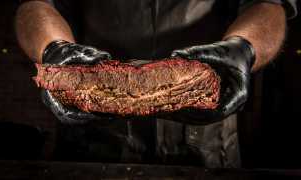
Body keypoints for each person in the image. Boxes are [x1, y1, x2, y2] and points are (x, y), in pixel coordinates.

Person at [15, 0, 297, 168]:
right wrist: (53, 49)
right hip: (93, 131)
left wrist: (244, 48)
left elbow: (268, 3)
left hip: (207, 138)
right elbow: (37, 4)